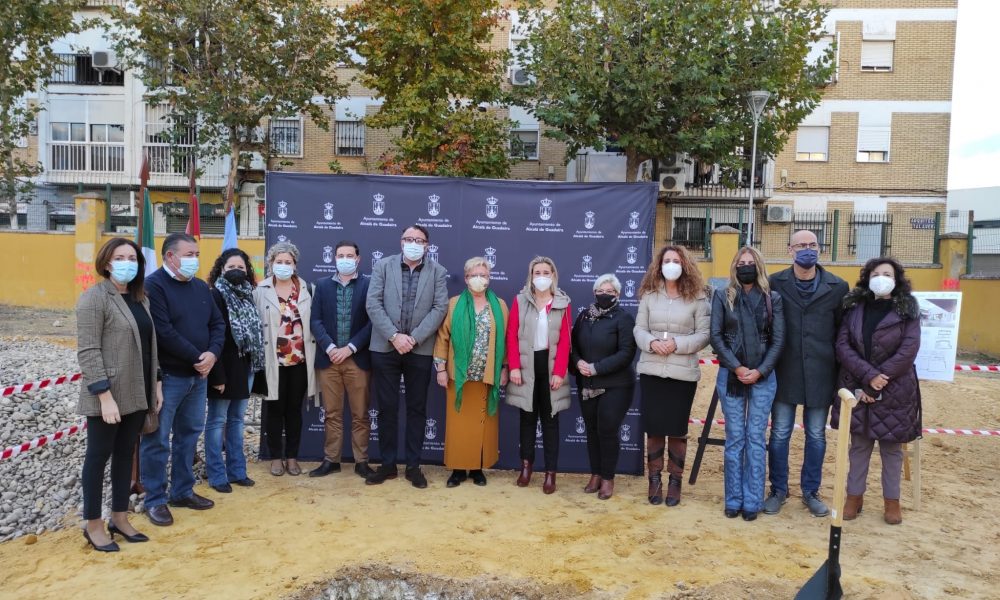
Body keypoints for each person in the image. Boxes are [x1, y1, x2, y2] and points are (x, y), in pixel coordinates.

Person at [76, 238, 162, 551]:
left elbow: (150, 344)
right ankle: (93, 523)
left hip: (138, 391)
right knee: (97, 459)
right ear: (107, 262)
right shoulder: (94, 298)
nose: (127, 262)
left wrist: (157, 382)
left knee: (126, 455)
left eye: (133, 257)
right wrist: (104, 396)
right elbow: (87, 351)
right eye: (120, 257)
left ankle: (120, 517)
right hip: (107, 395)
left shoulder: (142, 298)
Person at [142, 233, 225, 527]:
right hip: (169, 377)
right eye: (189, 254)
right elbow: (162, 331)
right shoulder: (153, 286)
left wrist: (212, 355)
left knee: (189, 435)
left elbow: (217, 324)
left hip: (198, 377)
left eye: (197, 254)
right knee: (157, 440)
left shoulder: (201, 287)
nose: (194, 259)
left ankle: (182, 491)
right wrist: (197, 357)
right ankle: (154, 499)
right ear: (170, 257)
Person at [765, 230, 849, 517]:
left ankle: (810, 492)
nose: (807, 250)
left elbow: (842, 332)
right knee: (779, 434)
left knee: (816, 435)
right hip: (784, 370)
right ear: (790, 250)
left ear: (820, 249)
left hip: (821, 373)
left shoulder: (838, 286)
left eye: (812, 245)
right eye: (801, 245)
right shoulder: (775, 283)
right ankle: (778, 490)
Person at [833, 257, 921, 525]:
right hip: (858, 384)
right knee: (859, 445)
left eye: (887, 274)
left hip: (895, 388)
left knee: (891, 449)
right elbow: (842, 345)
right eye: (876, 273)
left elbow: (909, 349)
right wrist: (868, 377)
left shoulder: (907, 310)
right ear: (867, 278)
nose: (881, 277)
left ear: (897, 280)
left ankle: (892, 502)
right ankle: (853, 497)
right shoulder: (854, 307)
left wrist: (880, 379)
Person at [365, 225, 449, 488]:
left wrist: (413, 338)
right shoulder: (383, 266)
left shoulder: (437, 272)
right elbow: (373, 303)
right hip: (385, 347)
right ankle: (388, 465)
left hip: (419, 349)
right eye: (409, 239)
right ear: (401, 242)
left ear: (427, 245)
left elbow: (440, 307)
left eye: (419, 240)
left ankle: (413, 466)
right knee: (387, 408)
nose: (414, 243)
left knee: (416, 409)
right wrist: (394, 336)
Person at [709, 247, 785, 521]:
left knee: (755, 438)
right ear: (734, 267)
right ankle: (733, 499)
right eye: (741, 263)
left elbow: (778, 340)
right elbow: (715, 337)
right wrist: (738, 367)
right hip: (731, 374)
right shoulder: (723, 296)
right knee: (735, 438)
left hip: (763, 377)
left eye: (750, 263)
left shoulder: (772, 299)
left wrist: (760, 371)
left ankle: (752, 501)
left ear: (759, 266)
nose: (745, 267)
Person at [634, 245, 711, 507]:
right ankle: (654, 479)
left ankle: (675, 482)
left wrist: (676, 344)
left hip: (682, 374)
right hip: (652, 369)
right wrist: (652, 343)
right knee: (654, 428)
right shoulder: (648, 295)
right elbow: (639, 329)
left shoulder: (698, 297)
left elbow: (703, 334)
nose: (671, 264)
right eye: (666, 260)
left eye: (676, 260)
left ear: (685, 264)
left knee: (677, 430)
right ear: (659, 265)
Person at [433, 257, 509, 488]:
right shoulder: (454, 304)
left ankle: (477, 469)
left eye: (483, 275)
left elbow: (506, 341)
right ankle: (457, 469)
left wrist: (504, 368)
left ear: (489, 278)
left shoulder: (500, 306)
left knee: (482, 424)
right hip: (459, 376)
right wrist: (440, 369)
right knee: (458, 425)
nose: (479, 279)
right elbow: (442, 337)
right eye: (474, 275)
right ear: (466, 278)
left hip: (487, 376)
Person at [506, 256, 572, 494]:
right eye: (537, 273)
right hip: (526, 366)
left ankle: (550, 473)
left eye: (546, 272)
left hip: (551, 367)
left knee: (551, 421)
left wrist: (559, 372)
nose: (542, 277)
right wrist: (513, 366)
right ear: (531, 276)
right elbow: (512, 334)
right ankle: (526, 467)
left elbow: (565, 340)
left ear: (553, 276)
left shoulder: (563, 303)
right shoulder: (520, 300)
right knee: (527, 419)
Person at [309, 240, 374, 479]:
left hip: (357, 359)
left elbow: (372, 322)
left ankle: (362, 461)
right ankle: (331, 460)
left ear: (358, 259)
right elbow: (315, 320)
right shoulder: (322, 286)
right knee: (332, 413)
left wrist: (350, 347)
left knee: (360, 414)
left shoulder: (369, 285)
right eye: (340, 255)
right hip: (329, 360)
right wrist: (330, 347)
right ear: (334, 258)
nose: (345, 259)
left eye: (349, 255)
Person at [569, 274, 637, 500]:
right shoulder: (584, 316)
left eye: (610, 291)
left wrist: (597, 367)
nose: (604, 294)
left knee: (607, 430)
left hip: (616, 385)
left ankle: (608, 478)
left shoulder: (624, 318)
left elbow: (627, 353)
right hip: (587, 384)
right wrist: (578, 362)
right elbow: (573, 345)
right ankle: (595, 474)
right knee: (592, 431)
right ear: (594, 293)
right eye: (600, 290)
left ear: (617, 294)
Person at [205, 248, 264, 493]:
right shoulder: (215, 295)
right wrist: (216, 374)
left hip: (245, 367)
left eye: (241, 267)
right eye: (231, 268)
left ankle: (237, 471)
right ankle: (217, 474)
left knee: (237, 420)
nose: (236, 271)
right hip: (223, 367)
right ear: (221, 269)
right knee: (217, 421)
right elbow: (212, 337)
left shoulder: (249, 294)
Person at [255, 241, 316, 477]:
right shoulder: (260, 290)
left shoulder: (306, 289)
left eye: (287, 262)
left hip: (299, 362)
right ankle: (275, 457)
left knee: (294, 411)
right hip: (273, 362)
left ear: (295, 264)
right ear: (270, 264)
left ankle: (292, 457)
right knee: (274, 411)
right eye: (278, 262)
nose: (283, 265)